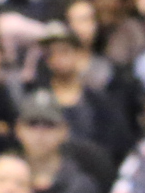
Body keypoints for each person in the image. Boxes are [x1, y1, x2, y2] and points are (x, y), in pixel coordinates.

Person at [33, 25, 132, 158]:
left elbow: (116, 141)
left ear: (79, 55)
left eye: (64, 52)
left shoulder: (99, 101)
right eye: (51, 54)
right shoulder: (37, 101)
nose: (58, 58)